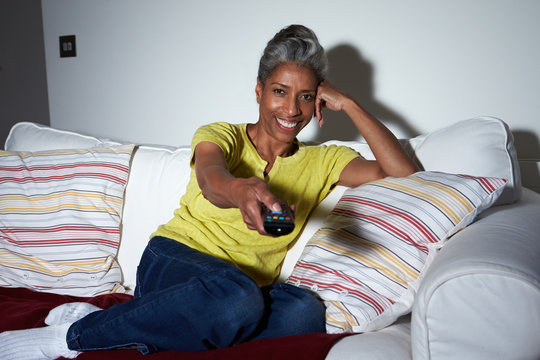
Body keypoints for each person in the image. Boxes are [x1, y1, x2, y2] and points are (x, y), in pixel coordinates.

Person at [0, 24, 417, 359]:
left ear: (319, 102)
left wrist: (353, 105)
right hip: (175, 259)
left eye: (306, 97)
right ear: (258, 90)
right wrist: (242, 191)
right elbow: (211, 176)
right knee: (238, 300)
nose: (291, 110)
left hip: (242, 288)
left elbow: (404, 173)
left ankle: (132, 322)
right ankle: (71, 338)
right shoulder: (222, 135)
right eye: (279, 92)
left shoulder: (323, 161)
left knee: (303, 311)